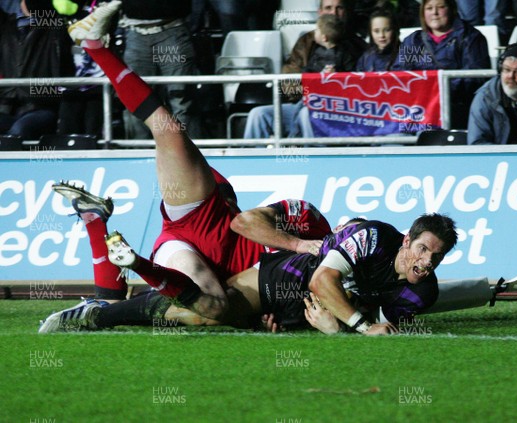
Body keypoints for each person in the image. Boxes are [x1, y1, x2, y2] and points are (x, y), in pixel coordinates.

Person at [42, 1, 331, 323]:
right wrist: (299, 244)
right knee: (167, 128)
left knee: (207, 310)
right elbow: (242, 223)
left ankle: (99, 274)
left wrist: (264, 317)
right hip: (202, 220)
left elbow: (272, 303)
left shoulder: (318, 281)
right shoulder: (313, 226)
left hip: (205, 265)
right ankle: (95, 46)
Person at [40, 214, 459, 336]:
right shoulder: (371, 237)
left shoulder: (423, 293)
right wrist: (360, 327)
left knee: (204, 318)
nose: (425, 262)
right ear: (407, 240)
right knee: (209, 310)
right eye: (422, 249)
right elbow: (321, 283)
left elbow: (388, 328)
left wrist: (338, 330)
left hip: (306, 314)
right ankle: (100, 312)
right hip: (285, 278)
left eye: (435, 258)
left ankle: (105, 306)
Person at [243, 0, 367, 139]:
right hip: (303, 103)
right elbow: (288, 86)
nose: (334, 13)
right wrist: (313, 86)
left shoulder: (357, 46)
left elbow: (362, 91)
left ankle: (311, 159)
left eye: (339, 8)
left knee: (307, 115)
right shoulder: (306, 42)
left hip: (340, 112)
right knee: (258, 115)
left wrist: (335, 82)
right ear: (319, 12)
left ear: (346, 12)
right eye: (328, 8)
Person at [391, 0, 490, 129]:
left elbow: (474, 78)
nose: (435, 13)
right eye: (429, 8)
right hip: (417, 112)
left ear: (452, 9)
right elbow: (400, 75)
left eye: (441, 7)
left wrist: (438, 92)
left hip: (457, 111)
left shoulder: (470, 38)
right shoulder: (415, 41)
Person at [118, 0, 201, 139]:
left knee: (180, 98)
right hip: (136, 36)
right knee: (136, 101)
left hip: (170, 33)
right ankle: (139, 154)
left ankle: (188, 155)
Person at [0, 0, 74, 140]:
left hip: (40, 107)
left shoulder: (53, 26)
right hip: (7, 106)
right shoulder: (7, 27)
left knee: (19, 131)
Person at [355, 7, 400, 72]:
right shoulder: (366, 58)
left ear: (395, 30)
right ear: (371, 32)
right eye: (376, 31)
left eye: (387, 30)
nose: (381, 35)